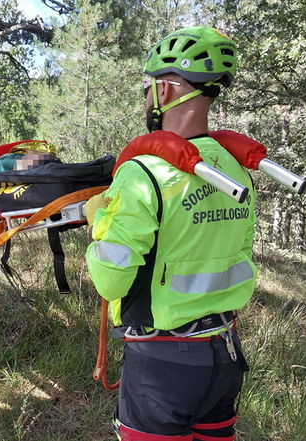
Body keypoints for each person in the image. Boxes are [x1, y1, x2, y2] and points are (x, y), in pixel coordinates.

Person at [84, 26, 256, 441]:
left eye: (147, 87)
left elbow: (111, 277)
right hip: (224, 354)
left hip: (162, 365)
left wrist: (97, 222)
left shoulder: (143, 172)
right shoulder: (233, 168)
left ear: (164, 89)